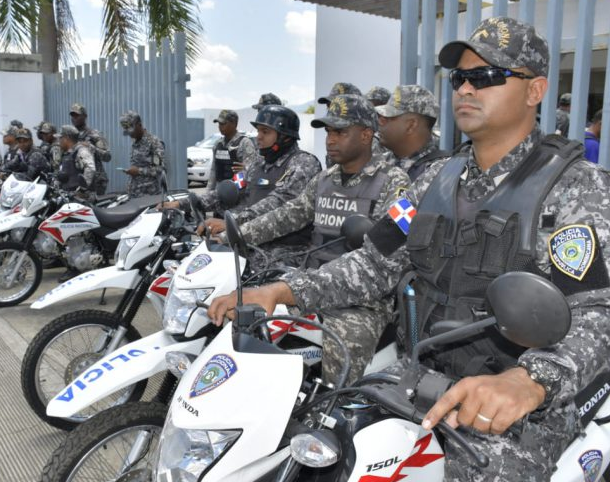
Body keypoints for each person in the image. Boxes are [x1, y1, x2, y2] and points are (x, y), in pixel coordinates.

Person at [208, 17, 610, 480]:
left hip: (513, 407)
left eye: (485, 77)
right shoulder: (434, 182)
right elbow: (374, 262)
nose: (465, 89)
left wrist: (530, 380)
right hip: (418, 376)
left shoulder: (576, 187)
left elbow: (596, 312)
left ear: (535, 91)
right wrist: (283, 291)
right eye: (460, 77)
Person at [238, 94, 410, 382]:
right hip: (311, 282)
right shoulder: (325, 179)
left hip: (362, 300)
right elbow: (288, 215)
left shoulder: (396, 183)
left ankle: (336, 411)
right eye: (329, 131)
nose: (331, 139)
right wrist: (239, 233)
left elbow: (384, 256)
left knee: (345, 341)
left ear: (366, 134)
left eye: (341, 132)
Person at [201, 105, 322, 238]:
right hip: (248, 240)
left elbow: (278, 203)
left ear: (284, 137)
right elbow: (236, 185)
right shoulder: (258, 163)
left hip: (282, 250)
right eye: (258, 131)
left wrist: (233, 222)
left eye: (265, 132)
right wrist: (190, 202)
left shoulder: (303, 164)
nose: (258, 137)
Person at [162, 109, 256, 217]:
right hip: (219, 199)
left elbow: (250, 173)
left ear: (234, 124)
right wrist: (207, 196)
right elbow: (213, 172)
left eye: (223, 124)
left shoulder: (244, 144)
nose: (220, 126)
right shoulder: (218, 144)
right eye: (219, 124)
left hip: (237, 201)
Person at [376, 85, 448, 180]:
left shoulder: (443, 172)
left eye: (387, 118)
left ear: (411, 125)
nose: (380, 122)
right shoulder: (376, 163)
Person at [56, 124, 97, 281]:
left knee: (76, 233)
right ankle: (73, 263)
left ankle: (76, 267)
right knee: (70, 233)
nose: (59, 140)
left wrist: (82, 188)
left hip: (81, 198)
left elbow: (90, 169)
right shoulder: (69, 153)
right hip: (70, 198)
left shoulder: (81, 151)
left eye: (61, 137)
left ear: (67, 138)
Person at [119, 110, 166, 197]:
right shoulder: (135, 142)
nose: (130, 134)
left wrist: (138, 171)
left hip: (148, 196)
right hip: (134, 194)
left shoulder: (153, 143)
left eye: (131, 131)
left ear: (139, 125)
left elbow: (159, 169)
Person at [318, 83, 363, 168]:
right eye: (329, 106)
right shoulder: (333, 142)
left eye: (338, 106)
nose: (332, 110)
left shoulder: (369, 144)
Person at [70, 103, 112, 195]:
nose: (74, 118)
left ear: (85, 116)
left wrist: (90, 147)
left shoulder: (94, 134)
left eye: (77, 115)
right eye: (72, 115)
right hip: (77, 181)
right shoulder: (71, 136)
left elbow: (107, 156)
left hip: (95, 181)